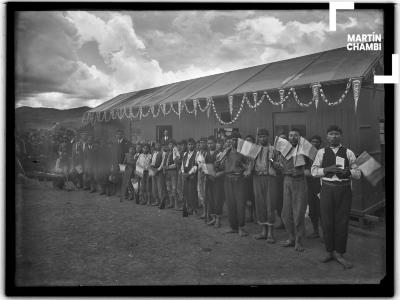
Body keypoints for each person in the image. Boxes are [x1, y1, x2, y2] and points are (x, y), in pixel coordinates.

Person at [311, 125, 361, 269]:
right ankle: (329, 251)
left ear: (341, 136)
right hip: (327, 190)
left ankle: (339, 253)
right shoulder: (321, 152)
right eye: (331, 134)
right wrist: (327, 169)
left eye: (336, 134)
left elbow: (358, 173)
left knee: (342, 222)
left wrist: (349, 173)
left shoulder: (349, 152)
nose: (334, 136)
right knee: (327, 222)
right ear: (327, 137)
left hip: (344, 191)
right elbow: (314, 171)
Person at [278, 128, 310, 252]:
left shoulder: (305, 149)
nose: (292, 137)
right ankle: (291, 237)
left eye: (295, 135)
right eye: (290, 135)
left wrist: (301, 171)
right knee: (286, 213)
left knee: (298, 213)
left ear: (300, 137)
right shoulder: (284, 150)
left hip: (299, 181)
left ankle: (298, 241)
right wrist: (283, 170)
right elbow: (281, 167)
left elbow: (312, 167)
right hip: (287, 181)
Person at [245, 129, 277, 243]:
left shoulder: (273, 149)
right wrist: (248, 169)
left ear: (268, 137)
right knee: (260, 204)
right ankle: (263, 231)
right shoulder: (254, 149)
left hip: (269, 178)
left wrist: (274, 162)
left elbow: (278, 164)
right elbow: (249, 164)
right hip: (257, 178)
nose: (261, 139)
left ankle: (270, 233)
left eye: (264, 136)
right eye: (259, 137)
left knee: (269, 204)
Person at [223, 132, 248, 237]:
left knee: (240, 204)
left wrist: (242, 164)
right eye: (232, 139)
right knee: (230, 203)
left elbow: (249, 167)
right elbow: (221, 164)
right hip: (228, 179)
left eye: (237, 139)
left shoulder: (244, 152)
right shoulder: (227, 152)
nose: (234, 142)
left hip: (239, 179)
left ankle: (241, 227)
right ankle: (233, 227)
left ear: (240, 141)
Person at [306, 135, 323, 238]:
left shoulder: (323, 154)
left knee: (321, 210)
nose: (314, 143)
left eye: (317, 142)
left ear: (320, 143)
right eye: (312, 141)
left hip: (321, 186)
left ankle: (322, 233)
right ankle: (315, 231)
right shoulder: (306, 156)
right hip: (310, 186)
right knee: (312, 211)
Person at [203, 136, 219, 225]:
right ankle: (212, 217)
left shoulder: (219, 153)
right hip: (209, 178)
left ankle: (217, 219)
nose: (210, 145)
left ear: (215, 143)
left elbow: (220, 167)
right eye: (208, 143)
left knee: (217, 199)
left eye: (211, 143)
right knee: (210, 199)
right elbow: (204, 165)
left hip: (217, 179)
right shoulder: (206, 153)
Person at [181, 138, 198, 215]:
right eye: (189, 144)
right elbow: (182, 164)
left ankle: (194, 209)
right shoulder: (185, 154)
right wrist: (183, 172)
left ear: (194, 145)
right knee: (186, 192)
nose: (190, 146)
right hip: (185, 175)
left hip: (192, 176)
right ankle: (189, 208)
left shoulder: (197, 154)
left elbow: (195, 166)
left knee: (192, 193)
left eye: (191, 144)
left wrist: (189, 173)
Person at [274, 133, 287, 230]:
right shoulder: (275, 152)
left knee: (287, 201)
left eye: (284, 139)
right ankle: (282, 222)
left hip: (287, 178)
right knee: (278, 201)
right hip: (277, 179)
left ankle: (288, 223)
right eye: (281, 139)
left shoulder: (290, 152)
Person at [243, 135, 256, 224]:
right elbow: (241, 162)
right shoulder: (242, 152)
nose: (248, 142)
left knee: (254, 196)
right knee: (246, 196)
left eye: (250, 140)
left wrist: (250, 169)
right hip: (244, 177)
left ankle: (255, 215)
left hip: (254, 177)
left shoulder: (255, 151)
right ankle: (249, 215)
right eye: (246, 140)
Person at [113, 129, 131, 197]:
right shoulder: (115, 143)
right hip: (116, 163)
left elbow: (128, 154)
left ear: (123, 135)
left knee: (123, 178)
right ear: (116, 135)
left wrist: (125, 163)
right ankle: (118, 192)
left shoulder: (127, 143)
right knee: (117, 177)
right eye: (117, 134)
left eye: (120, 134)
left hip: (123, 163)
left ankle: (125, 193)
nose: (119, 135)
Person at [149, 141, 166, 208]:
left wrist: (158, 170)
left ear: (161, 146)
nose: (158, 146)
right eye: (156, 145)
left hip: (159, 171)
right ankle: (157, 201)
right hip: (153, 170)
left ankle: (162, 202)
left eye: (159, 145)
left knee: (160, 187)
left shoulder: (163, 153)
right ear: (155, 146)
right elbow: (151, 161)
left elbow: (163, 163)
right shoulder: (153, 153)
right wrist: (151, 168)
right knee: (154, 187)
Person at [163, 139, 179, 209]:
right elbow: (164, 162)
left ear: (174, 145)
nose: (171, 146)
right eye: (169, 144)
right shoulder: (167, 153)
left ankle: (176, 204)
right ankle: (171, 203)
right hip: (167, 173)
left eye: (172, 144)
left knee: (174, 188)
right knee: (168, 188)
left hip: (173, 172)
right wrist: (164, 168)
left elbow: (176, 164)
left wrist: (168, 167)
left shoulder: (175, 153)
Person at [196, 137, 208, 219]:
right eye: (200, 142)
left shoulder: (208, 153)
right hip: (199, 174)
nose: (201, 144)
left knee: (206, 193)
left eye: (203, 142)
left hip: (206, 174)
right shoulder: (199, 153)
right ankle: (204, 211)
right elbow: (197, 163)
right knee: (200, 192)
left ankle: (207, 212)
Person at [176, 140, 187, 211]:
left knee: (184, 189)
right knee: (179, 188)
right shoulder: (180, 153)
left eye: (183, 145)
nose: (181, 147)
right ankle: (183, 204)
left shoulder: (186, 153)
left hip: (184, 172)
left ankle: (185, 205)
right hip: (179, 172)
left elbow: (182, 162)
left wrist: (177, 161)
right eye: (180, 145)